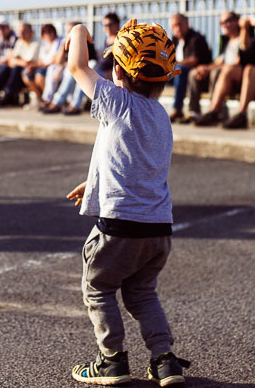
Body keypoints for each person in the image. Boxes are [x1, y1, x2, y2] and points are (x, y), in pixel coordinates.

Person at [63, 19, 189, 386]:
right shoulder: (161, 117)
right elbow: (135, 161)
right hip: (158, 230)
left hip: (118, 227)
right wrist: (95, 181)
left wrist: (78, 31)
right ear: (164, 78)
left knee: (98, 288)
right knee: (141, 292)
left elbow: (77, 67)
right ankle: (164, 361)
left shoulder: (116, 101)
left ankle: (111, 360)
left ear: (118, 70)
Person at [188, 11, 242, 125]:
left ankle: (214, 112)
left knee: (216, 72)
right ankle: (194, 112)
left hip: (233, 77)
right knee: (194, 73)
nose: (225, 25)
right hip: (222, 72)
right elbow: (218, 62)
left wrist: (210, 69)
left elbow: (238, 62)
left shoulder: (243, 39)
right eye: (222, 22)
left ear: (236, 21)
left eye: (228, 21)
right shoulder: (226, 41)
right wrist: (205, 68)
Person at [167, 13, 213, 123]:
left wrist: (175, 64)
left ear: (187, 24)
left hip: (198, 74)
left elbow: (195, 60)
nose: (177, 28)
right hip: (178, 74)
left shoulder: (196, 39)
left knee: (179, 70)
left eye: (180, 25)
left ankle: (177, 109)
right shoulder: (175, 41)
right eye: (174, 26)